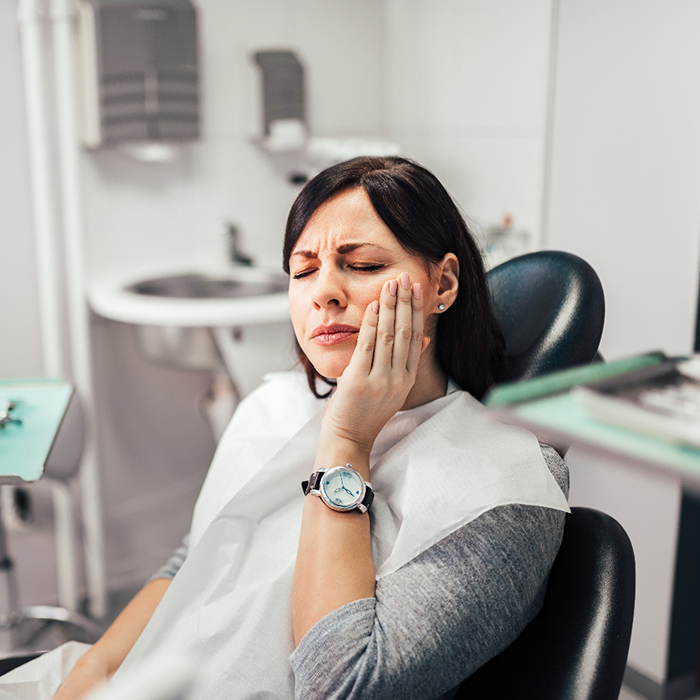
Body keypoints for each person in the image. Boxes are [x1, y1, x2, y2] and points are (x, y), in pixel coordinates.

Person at [52, 156, 569, 699]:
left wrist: (347, 442)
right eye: (303, 271)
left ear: (442, 283)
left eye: (364, 265)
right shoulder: (274, 406)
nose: (324, 291)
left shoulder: (508, 488)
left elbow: (342, 686)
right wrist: (90, 674)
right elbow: (198, 558)